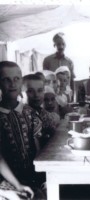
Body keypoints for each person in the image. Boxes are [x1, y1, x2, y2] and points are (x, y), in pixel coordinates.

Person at [0, 61, 44, 193]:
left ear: (21, 83)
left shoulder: (30, 113)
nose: (12, 84)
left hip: (32, 177)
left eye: (16, 79)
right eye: (6, 80)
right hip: (6, 182)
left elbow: (38, 150)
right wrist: (17, 186)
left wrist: (42, 177)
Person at [24, 74, 60, 147]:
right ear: (21, 93)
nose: (36, 95)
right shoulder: (22, 115)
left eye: (40, 90)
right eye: (30, 91)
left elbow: (54, 120)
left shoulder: (42, 112)